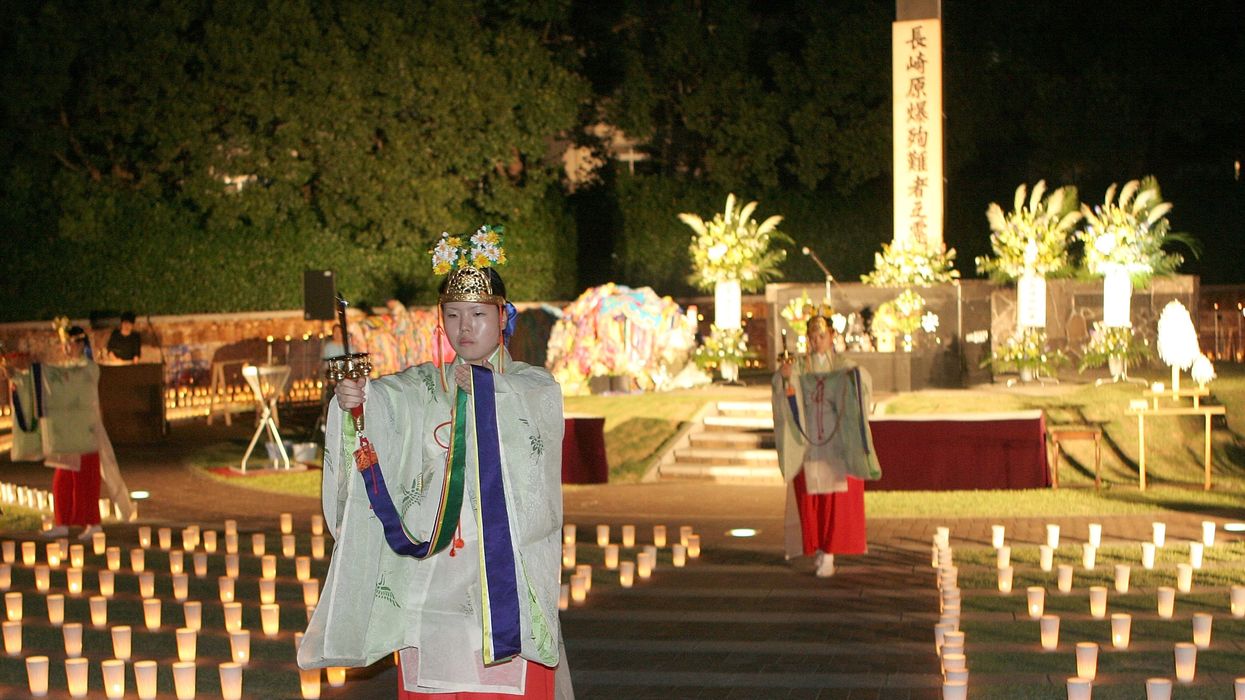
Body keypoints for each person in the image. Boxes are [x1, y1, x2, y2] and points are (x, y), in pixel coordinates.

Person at [299, 225, 572, 699]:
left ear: (503, 317)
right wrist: (356, 400)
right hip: (435, 578)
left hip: (499, 577)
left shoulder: (532, 385)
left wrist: (484, 390)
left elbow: (534, 429)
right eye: (453, 315)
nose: (464, 328)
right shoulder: (425, 386)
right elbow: (386, 400)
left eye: (478, 315)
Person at [772, 310, 880, 577]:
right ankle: (817, 546)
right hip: (809, 437)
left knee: (833, 496)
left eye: (822, 335)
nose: (817, 341)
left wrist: (854, 378)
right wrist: (785, 377)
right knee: (811, 495)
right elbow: (785, 389)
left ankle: (830, 549)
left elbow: (862, 381)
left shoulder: (842, 363)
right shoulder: (799, 365)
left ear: (832, 337)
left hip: (835, 437)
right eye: (812, 336)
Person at [41, 327, 135, 539]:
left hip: (86, 430)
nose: (67, 348)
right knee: (63, 478)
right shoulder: (69, 368)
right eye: (66, 344)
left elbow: (76, 384)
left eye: (71, 343)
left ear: (81, 344)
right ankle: (62, 522)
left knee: (86, 479)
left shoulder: (89, 368)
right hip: (68, 431)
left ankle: (93, 523)